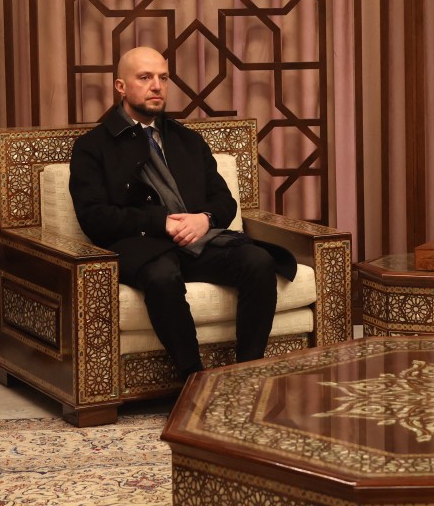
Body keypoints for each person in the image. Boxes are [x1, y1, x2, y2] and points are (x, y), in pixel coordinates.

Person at [69, 46, 296, 377]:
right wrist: (159, 222)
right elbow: (94, 217)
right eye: (145, 78)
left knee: (258, 262)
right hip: (143, 245)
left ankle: (248, 372)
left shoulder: (187, 140)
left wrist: (204, 219)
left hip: (199, 242)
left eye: (163, 78)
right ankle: (194, 378)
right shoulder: (93, 146)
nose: (157, 86)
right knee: (162, 277)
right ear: (120, 86)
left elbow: (224, 200)